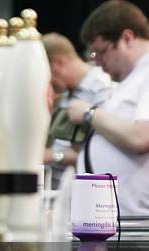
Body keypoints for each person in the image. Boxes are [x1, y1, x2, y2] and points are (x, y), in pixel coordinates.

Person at [68, 0, 149, 216]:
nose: (99, 62)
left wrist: (90, 113)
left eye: (101, 52)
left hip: (137, 222)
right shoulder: (132, 79)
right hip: (117, 220)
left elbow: (141, 137)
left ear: (127, 38)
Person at [41, 32, 114, 186]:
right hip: (57, 186)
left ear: (58, 64)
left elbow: (100, 152)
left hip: (86, 189)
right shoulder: (66, 91)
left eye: (45, 74)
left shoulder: (101, 88)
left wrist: (53, 156)